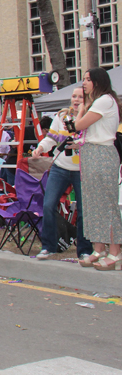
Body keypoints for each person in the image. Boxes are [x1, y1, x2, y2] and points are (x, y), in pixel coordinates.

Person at [31, 87, 91, 261]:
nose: (76, 99)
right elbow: (52, 138)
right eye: (74, 96)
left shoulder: (90, 117)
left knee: (82, 210)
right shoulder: (61, 116)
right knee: (48, 205)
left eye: (81, 97)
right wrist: (41, 148)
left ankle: (84, 249)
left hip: (81, 169)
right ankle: (48, 247)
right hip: (60, 167)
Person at [73, 68, 122, 270]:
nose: (84, 83)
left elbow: (77, 125)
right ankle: (98, 249)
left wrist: (81, 109)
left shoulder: (104, 100)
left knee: (107, 204)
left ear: (98, 81)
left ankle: (115, 253)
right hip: (91, 152)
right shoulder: (98, 102)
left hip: (102, 154)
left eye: (87, 80)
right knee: (93, 204)